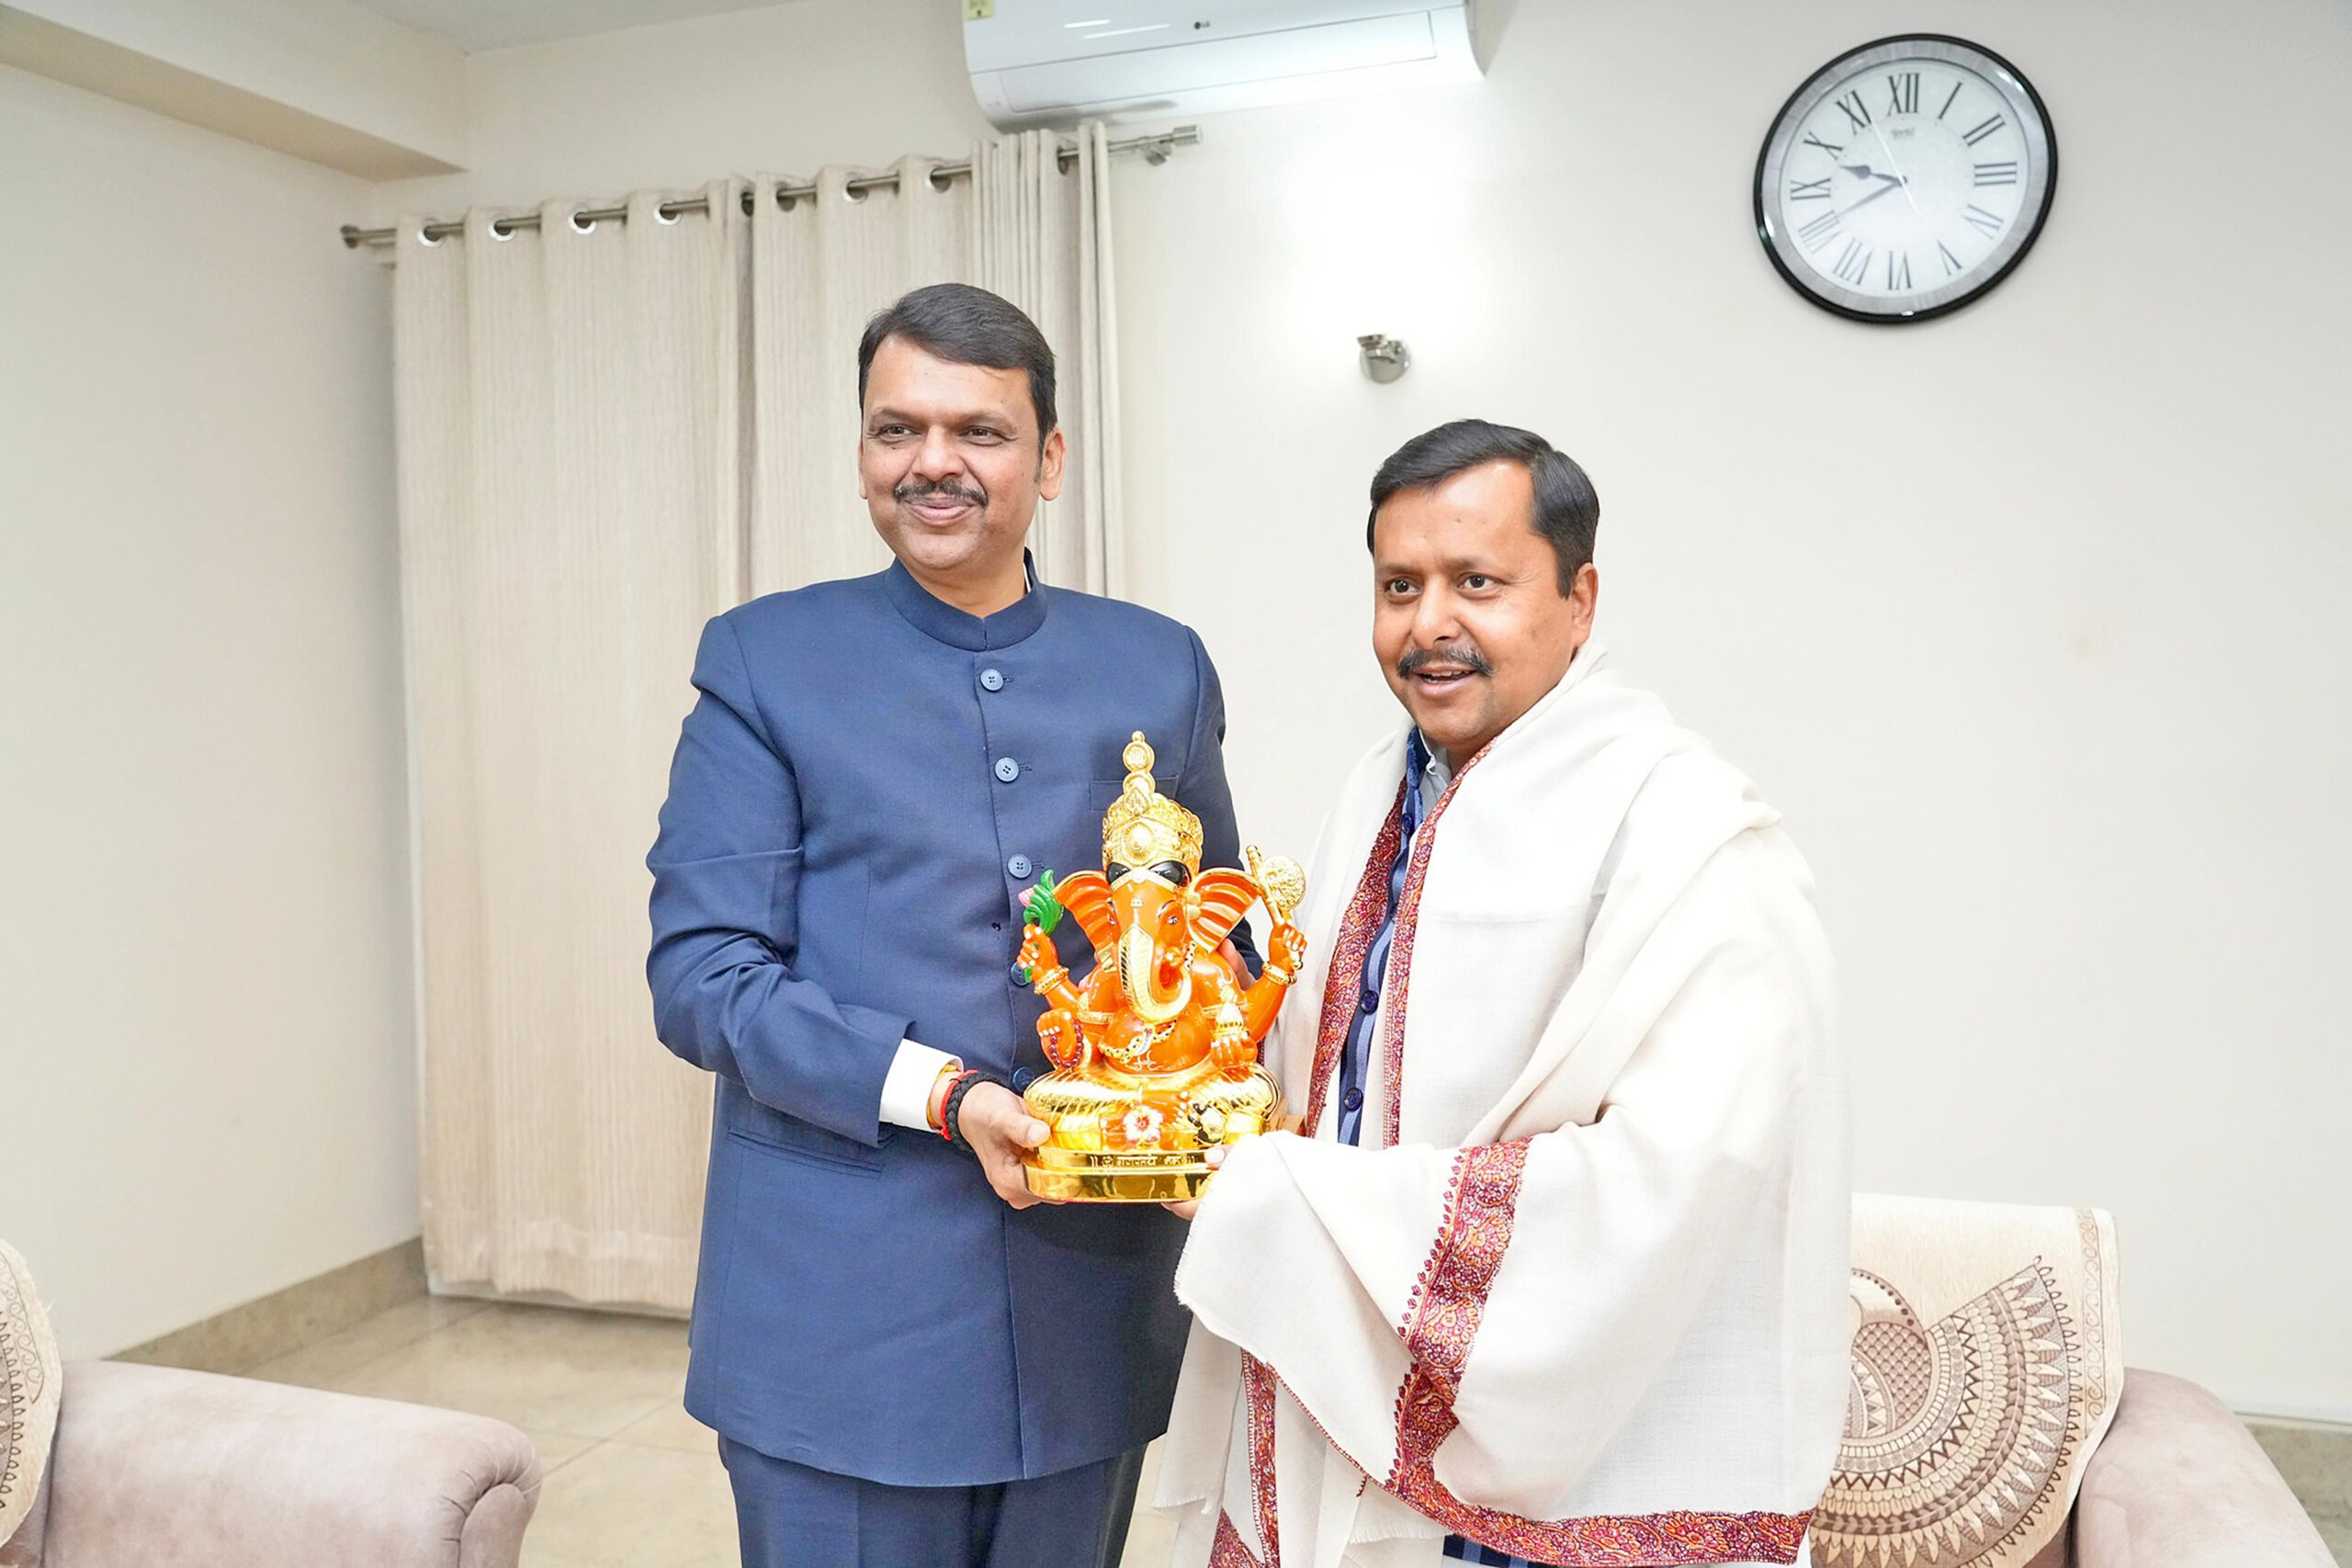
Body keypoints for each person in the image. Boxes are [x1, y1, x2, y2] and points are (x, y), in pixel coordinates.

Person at [1155, 421, 1849, 1568]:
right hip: (1344, 1401)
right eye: (1399, 586)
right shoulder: (1380, 791)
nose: (1429, 624)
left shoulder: (1681, 829)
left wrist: (1287, 1199)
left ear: (1579, 600)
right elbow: (1331, 1081)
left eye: (1476, 583)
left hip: (1573, 1453)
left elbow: (1687, 1169)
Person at [646, 283, 1254, 1568]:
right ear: (864, 451)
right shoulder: (764, 659)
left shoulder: (1159, 664)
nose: (934, 461)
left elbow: (1218, 934)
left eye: (979, 430)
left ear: (1049, 458)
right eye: (898, 429)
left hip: (1090, 1295)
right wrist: (944, 1091)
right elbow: (704, 973)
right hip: (838, 1311)